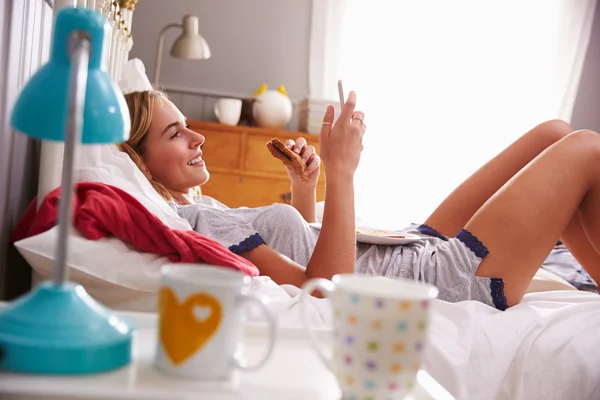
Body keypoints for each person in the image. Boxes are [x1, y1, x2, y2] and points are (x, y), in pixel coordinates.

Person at [118, 89, 600, 311]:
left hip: (410, 246)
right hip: (432, 277)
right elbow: (324, 290)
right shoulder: (196, 219)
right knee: (585, 150)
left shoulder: (214, 209)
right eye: (176, 133)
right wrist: (341, 174)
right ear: (140, 162)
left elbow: (301, 252)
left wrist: (305, 188)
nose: (198, 137)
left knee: (555, 133)